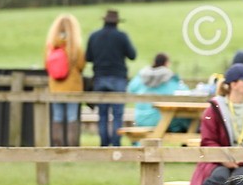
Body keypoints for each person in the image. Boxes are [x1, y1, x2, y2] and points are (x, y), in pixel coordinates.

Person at [85, 9, 137, 146]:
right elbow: (132, 55)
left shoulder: (94, 36)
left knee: (102, 114)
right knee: (117, 114)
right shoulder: (122, 36)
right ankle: (116, 144)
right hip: (118, 78)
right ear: (117, 22)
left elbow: (88, 57)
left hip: (100, 77)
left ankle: (104, 144)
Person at [44, 14, 87, 146]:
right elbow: (81, 65)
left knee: (57, 117)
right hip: (73, 87)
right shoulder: (74, 47)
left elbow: (46, 65)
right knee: (72, 117)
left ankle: (58, 146)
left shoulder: (51, 46)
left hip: (55, 87)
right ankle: (72, 146)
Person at [128, 53, 188, 130]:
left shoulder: (141, 76)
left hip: (140, 119)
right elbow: (185, 93)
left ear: (154, 62)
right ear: (166, 63)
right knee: (184, 122)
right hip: (162, 120)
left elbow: (131, 89)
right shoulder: (170, 78)